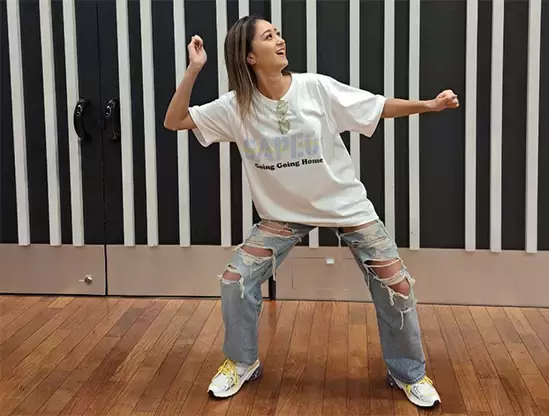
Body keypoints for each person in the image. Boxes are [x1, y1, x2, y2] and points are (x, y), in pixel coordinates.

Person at [164, 15, 458, 409]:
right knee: (235, 281)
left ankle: (409, 373)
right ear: (250, 57)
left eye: (278, 33)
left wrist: (429, 105)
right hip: (283, 214)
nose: (280, 40)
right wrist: (194, 68)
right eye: (269, 37)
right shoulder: (237, 107)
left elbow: (376, 106)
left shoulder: (315, 88)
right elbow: (175, 120)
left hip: (346, 207)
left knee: (398, 286)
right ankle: (242, 361)